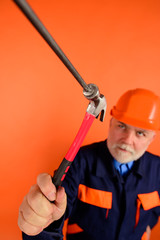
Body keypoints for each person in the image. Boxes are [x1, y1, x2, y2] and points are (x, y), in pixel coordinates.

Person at [18, 88, 160, 240]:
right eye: (121, 126)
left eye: (140, 133)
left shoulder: (158, 170)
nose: (127, 140)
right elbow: (51, 218)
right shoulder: (80, 161)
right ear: (111, 123)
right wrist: (38, 223)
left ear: (151, 138)